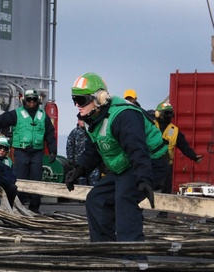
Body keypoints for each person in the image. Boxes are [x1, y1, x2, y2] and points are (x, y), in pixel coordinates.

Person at [63, 72, 156, 245]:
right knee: (96, 199)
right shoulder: (95, 119)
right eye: (74, 99)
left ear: (99, 97)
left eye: (81, 100)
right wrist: (79, 170)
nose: (77, 105)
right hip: (126, 166)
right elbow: (94, 150)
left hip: (149, 163)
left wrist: (144, 179)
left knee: (125, 200)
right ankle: (105, 252)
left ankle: (134, 262)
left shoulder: (123, 115)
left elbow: (137, 148)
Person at [0, 88, 58, 213]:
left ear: (38, 101)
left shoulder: (43, 117)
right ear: (24, 100)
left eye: (34, 99)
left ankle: (35, 209)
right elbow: (0, 120)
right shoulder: (16, 114)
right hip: (21, 152)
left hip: (36, 152)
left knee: (36, 181)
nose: (31, 102)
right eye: (29, 99)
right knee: (19, 180)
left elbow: (50, 135)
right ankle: (19, 208)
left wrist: (53, 151)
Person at [154, 102, 203, 195]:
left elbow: (184, 146)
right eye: (166, 113)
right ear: (158, 114)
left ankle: (164, 209)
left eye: (170, 113)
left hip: (166, 165)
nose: (169, 116)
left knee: (165, 191)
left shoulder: (174, 130)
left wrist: (194, 156)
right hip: (151, 163)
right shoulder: (151, 126)